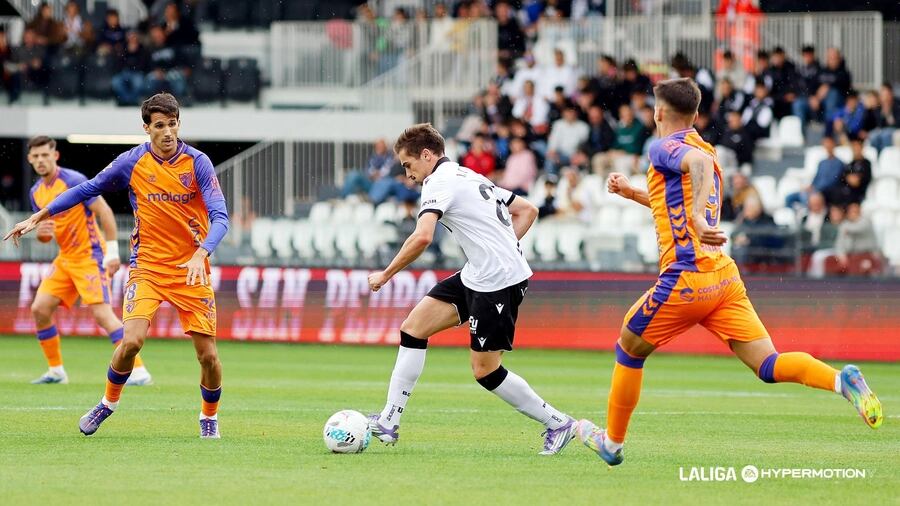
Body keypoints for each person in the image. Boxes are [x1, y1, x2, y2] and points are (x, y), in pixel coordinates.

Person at [574, 78, 883, 467]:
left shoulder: (665, 147)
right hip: (723, 280)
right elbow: (675, 196)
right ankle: (843, 381)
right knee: (768, 365)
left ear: (658, 113)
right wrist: (632, 193)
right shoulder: (707, 149)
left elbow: (694, 175)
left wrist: (699, 217)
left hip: (686, 279)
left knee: (629, 348)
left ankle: (612, 444)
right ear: (697, 114)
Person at [5, 94, 230, 439]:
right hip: (148, 269)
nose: (168, 132)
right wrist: (39, 215)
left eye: (173, 124)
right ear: (146, 128)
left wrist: (202, 252)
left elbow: (220, 216)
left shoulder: (198, 163)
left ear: (178, 124)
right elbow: (89, 188)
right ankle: (107, 404)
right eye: (159, 125)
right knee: (131, 342)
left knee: (208, 357)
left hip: (190, 269)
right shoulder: (132, 161)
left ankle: (209, 416)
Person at [366, 123, 577, 455]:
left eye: (409, 165)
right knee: (413, 329)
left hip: (498, 283)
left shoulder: (438, 181)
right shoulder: (467, 175)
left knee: (485, 371)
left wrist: (386, 274)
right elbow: (527, 210)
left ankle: (558, 423)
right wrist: (497, 249)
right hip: (478, 273)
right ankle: (389, 422)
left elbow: (422, 236)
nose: (408, 175)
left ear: (426, 155)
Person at [24, 136, 152, 386]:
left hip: (90, 256)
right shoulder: (36, 192)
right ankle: (56, 371)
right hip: (65, 259)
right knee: (39, 309)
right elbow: (45, 234)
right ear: (29, 159)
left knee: (102, 315)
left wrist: (112, 252)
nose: (40, 160)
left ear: (55, 156)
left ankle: (139, 371)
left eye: (45, 155)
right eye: (35, 156)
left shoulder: (73, 181)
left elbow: (104, 212)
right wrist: (42, 236)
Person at [785, 136, 844, 209]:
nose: (827, 146)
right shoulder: (822, 162)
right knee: (789, 198)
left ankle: (806, 216)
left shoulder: (839, 163)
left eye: (829, 143)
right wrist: (810, 186)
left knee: (806, 198)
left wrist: (816, 189)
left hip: (825, 192)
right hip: (814, 190)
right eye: (826, 144)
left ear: (834, 144)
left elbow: (833, 181)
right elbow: (816, 178)